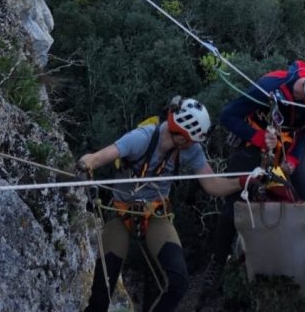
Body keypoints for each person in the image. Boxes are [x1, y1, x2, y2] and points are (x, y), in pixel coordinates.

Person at [200, 61, 305, 306]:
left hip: (289, 147)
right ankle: (217, 261)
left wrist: (293, 160)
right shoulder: (270, 86)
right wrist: (260, 138)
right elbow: (228, 115)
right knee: (234, 205)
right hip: (256, 144)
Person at [78, 96, 245, 312]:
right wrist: (84, 165)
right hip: (121, 213)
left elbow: (212, 184)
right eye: (192, 140)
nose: (194, 145)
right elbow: (97, 158)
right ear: (182, 137)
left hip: (155, 214)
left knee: (178, 281)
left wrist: (244, 182)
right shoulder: (141, 138)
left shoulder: (191, 150)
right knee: (102, 293)